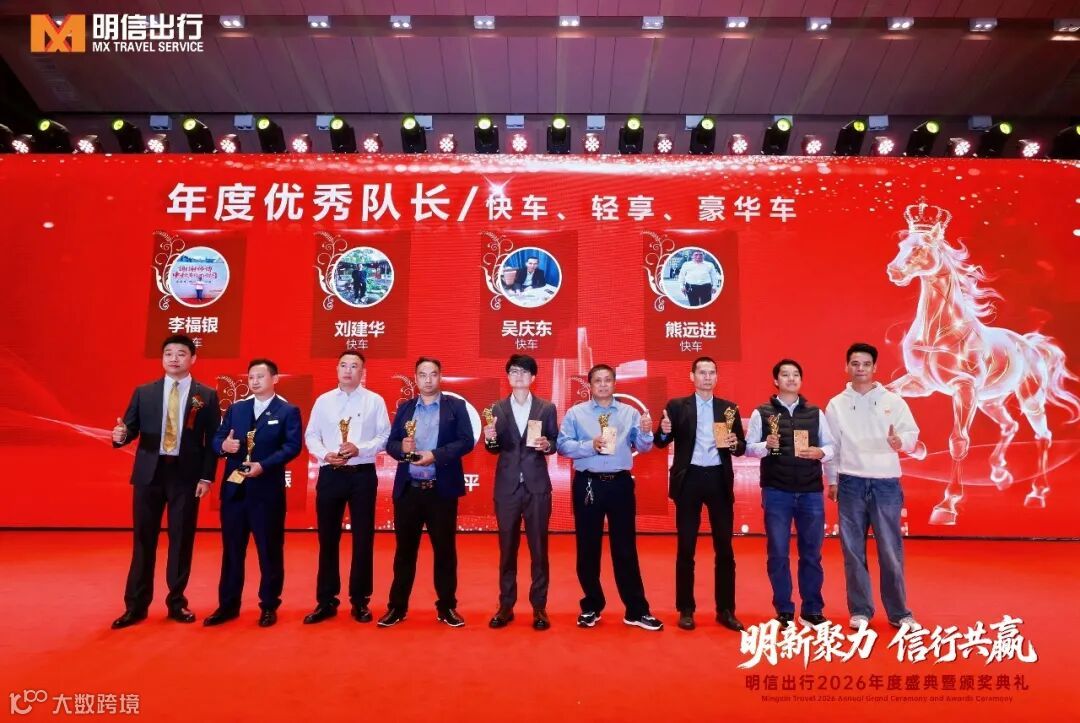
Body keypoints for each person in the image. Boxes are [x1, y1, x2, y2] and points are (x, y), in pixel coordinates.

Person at [110, 334, 220, 629]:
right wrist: (121, 436)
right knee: (143, 540)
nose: (174, 358)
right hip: (149, 474)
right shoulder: (144, 392)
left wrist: (206, 477)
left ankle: (177, 602)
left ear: (193, 358)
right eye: (168, 353)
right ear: (162, 358)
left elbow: (212, 441)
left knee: (181, 540)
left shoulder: (206, 395)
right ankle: (135, 606)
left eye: (181, 353)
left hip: (186, 476)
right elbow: (129, 429)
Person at [557, 364, 663, 631]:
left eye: (608, 380)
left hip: (620, 484)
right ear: (590, 385)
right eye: (598, 381)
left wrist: (646, 432)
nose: (603, 385)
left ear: (615, 383)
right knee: (588, 547)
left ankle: (636, 610)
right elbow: (562, 445)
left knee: (625, 548)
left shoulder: (630, 413)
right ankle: (591, 606)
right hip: (588, 483)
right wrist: (589, 445)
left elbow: (643, 447)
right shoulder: (576, 413)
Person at [825, 343, 921, 630]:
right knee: (853, 551)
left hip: (886, 484)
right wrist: (832, 480)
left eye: (866, 364)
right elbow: (832, 446)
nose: (861, 369)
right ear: (847, 367)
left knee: (890, 550)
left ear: (875, 367)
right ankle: (860, 610)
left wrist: (900, 442)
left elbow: (911, 434)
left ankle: (899, 612)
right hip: (850, 483)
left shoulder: (894, 401)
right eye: (855, 363)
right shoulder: (836, 404)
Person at [204, 359, 303, 628]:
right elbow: (217, 439)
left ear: (275, 379)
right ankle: (228, 605)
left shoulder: (287, 410)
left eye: (260, 376)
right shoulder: (237, 408)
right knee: (232, 551)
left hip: (266, 492)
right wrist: (223, 446)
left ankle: (269, 605)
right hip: (235, 491)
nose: (255, 381)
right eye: (251, 377)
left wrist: (264, 465)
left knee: (269, 551)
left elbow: (292, 446)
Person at [379, 357, 475, 627]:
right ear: (416, 378)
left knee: (445, 552)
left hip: (440, 492)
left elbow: (466, 441)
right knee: (404, 553)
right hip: (409, 490)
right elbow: (391, 444)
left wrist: (435, 455)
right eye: (423, 374)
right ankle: (397, 608)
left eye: (433, 374)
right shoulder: (406, 408)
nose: (428, 379)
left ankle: (447, 607)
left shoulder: (455, 407)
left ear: (440, 377)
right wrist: (402, 449)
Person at [655, 357, 746, 632]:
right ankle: (685, 608)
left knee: (724, 548)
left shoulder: (728, 409)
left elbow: (740, 447)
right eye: (702, 372)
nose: (707, 377)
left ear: (717, 377)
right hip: (689, 479)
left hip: (718, 479)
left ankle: (726, 610)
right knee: (686, 547)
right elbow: (660, 442)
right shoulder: (677, 406)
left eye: (712, 372)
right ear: (692, 376)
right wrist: (663, 431)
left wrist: (735, 444)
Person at [744, 359, 835, 628]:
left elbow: (831, 447)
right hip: (777, 491)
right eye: (785, 375)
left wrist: (820, 452)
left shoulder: (815, 413)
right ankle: (783, 609)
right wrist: (765, 445)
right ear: (776, 381)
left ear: (801, 380)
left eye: (796, 374)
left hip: (810, 492)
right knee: (778, 553)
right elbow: (748, 448)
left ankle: (812, 609)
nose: (791, 379)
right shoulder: (762, 413)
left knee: (812, 554)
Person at [302, 351, 390, 625]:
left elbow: (384, 436)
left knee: (363, 538)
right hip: (330, 473)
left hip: (362, 475)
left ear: (363, 372)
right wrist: (325, 454)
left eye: (354, 366)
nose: (348, 370)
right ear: (337, 369)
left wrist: (359, 448)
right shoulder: (323, 401)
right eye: (343, 365)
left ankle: (360, 600)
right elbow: (311, 435)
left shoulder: (374, 400)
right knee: (327, 538)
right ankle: (326, 600)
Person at [482, 354, 559, 631]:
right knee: (507, 549)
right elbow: (493, 449)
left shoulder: (546, 408)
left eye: (524, 372)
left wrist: (546, 445)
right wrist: (490, 438)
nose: (519, 376)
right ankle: (506, 605)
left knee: (539, 549)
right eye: (514, 371)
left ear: (533, 377)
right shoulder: (496, 408)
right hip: (507, 488)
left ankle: (539, 607)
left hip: (537, 486)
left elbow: (555, 442)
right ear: (508, 376)